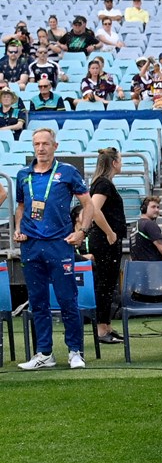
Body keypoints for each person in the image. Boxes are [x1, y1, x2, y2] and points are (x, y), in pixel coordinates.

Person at [16, 128, 95, 370]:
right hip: (31, 246)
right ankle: (44, 353)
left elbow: (88, 203)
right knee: (37, 302)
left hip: (60, 245)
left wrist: (81, 232)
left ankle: (75, 351)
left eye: (45, 144)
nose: (41, 148)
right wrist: (19, 228)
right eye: (37, 144)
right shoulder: (23, 175)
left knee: (67, 300)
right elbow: (21, 206)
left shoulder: (68, 172)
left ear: (55, 146)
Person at [85, 148, 126, 344]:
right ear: (114, 163)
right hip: (104, 240)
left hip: (109, 240)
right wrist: (110, 232)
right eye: (120, 160)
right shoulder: (103, 184)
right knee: (104, 284)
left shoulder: (104, 183)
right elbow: (94, 209)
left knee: (109, 283)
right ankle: (102, 329)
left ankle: (106, 325)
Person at [132, 195, 162, 261]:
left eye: (158, 207)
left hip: (138, 268)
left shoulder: (135, 226)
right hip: (152, 268)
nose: (157, 210)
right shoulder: (149, 224)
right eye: (153, 207)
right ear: (144, 208)